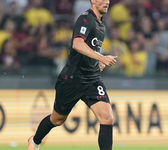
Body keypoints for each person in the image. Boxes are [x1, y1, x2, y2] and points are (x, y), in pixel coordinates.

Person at [28, 0, 117, 150]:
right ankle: (35, 141)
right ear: (93, 0)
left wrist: (97, 62)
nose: (107, 2)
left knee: (107, 118)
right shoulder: (85, 19)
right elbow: (77, 44)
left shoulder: (102, 24)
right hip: (72, 80)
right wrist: (101, 58)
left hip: (92, 80)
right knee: (57, 120)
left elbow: (90, 49)